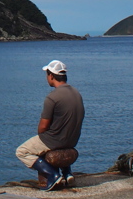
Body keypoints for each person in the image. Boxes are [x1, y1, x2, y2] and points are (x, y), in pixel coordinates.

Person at [15, 59, 85, 191]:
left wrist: (42, 139)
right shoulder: (77, 93)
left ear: (51, 76)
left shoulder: (52, 97)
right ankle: (67, 173)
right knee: (54, 136)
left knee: (22, 151)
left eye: (47, 75)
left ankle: (52, 175)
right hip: (72, 140)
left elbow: (43, 126)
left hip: (55, 140)